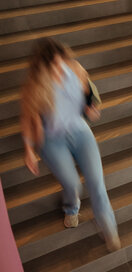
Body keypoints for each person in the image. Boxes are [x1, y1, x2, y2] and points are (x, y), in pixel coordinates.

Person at [20, 38, 120, 252]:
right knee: (73, 183)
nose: (59, 68)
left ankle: (107, 224)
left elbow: (89, 94)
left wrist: (91, 108)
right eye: (53, 66)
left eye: (60, 62)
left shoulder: (75, 68)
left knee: (97, 182)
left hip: (79, 130)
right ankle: (71, 206)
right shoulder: (35, 87)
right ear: (42, 67)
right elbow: (27, 119)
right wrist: (28, 148)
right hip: (51, 139)